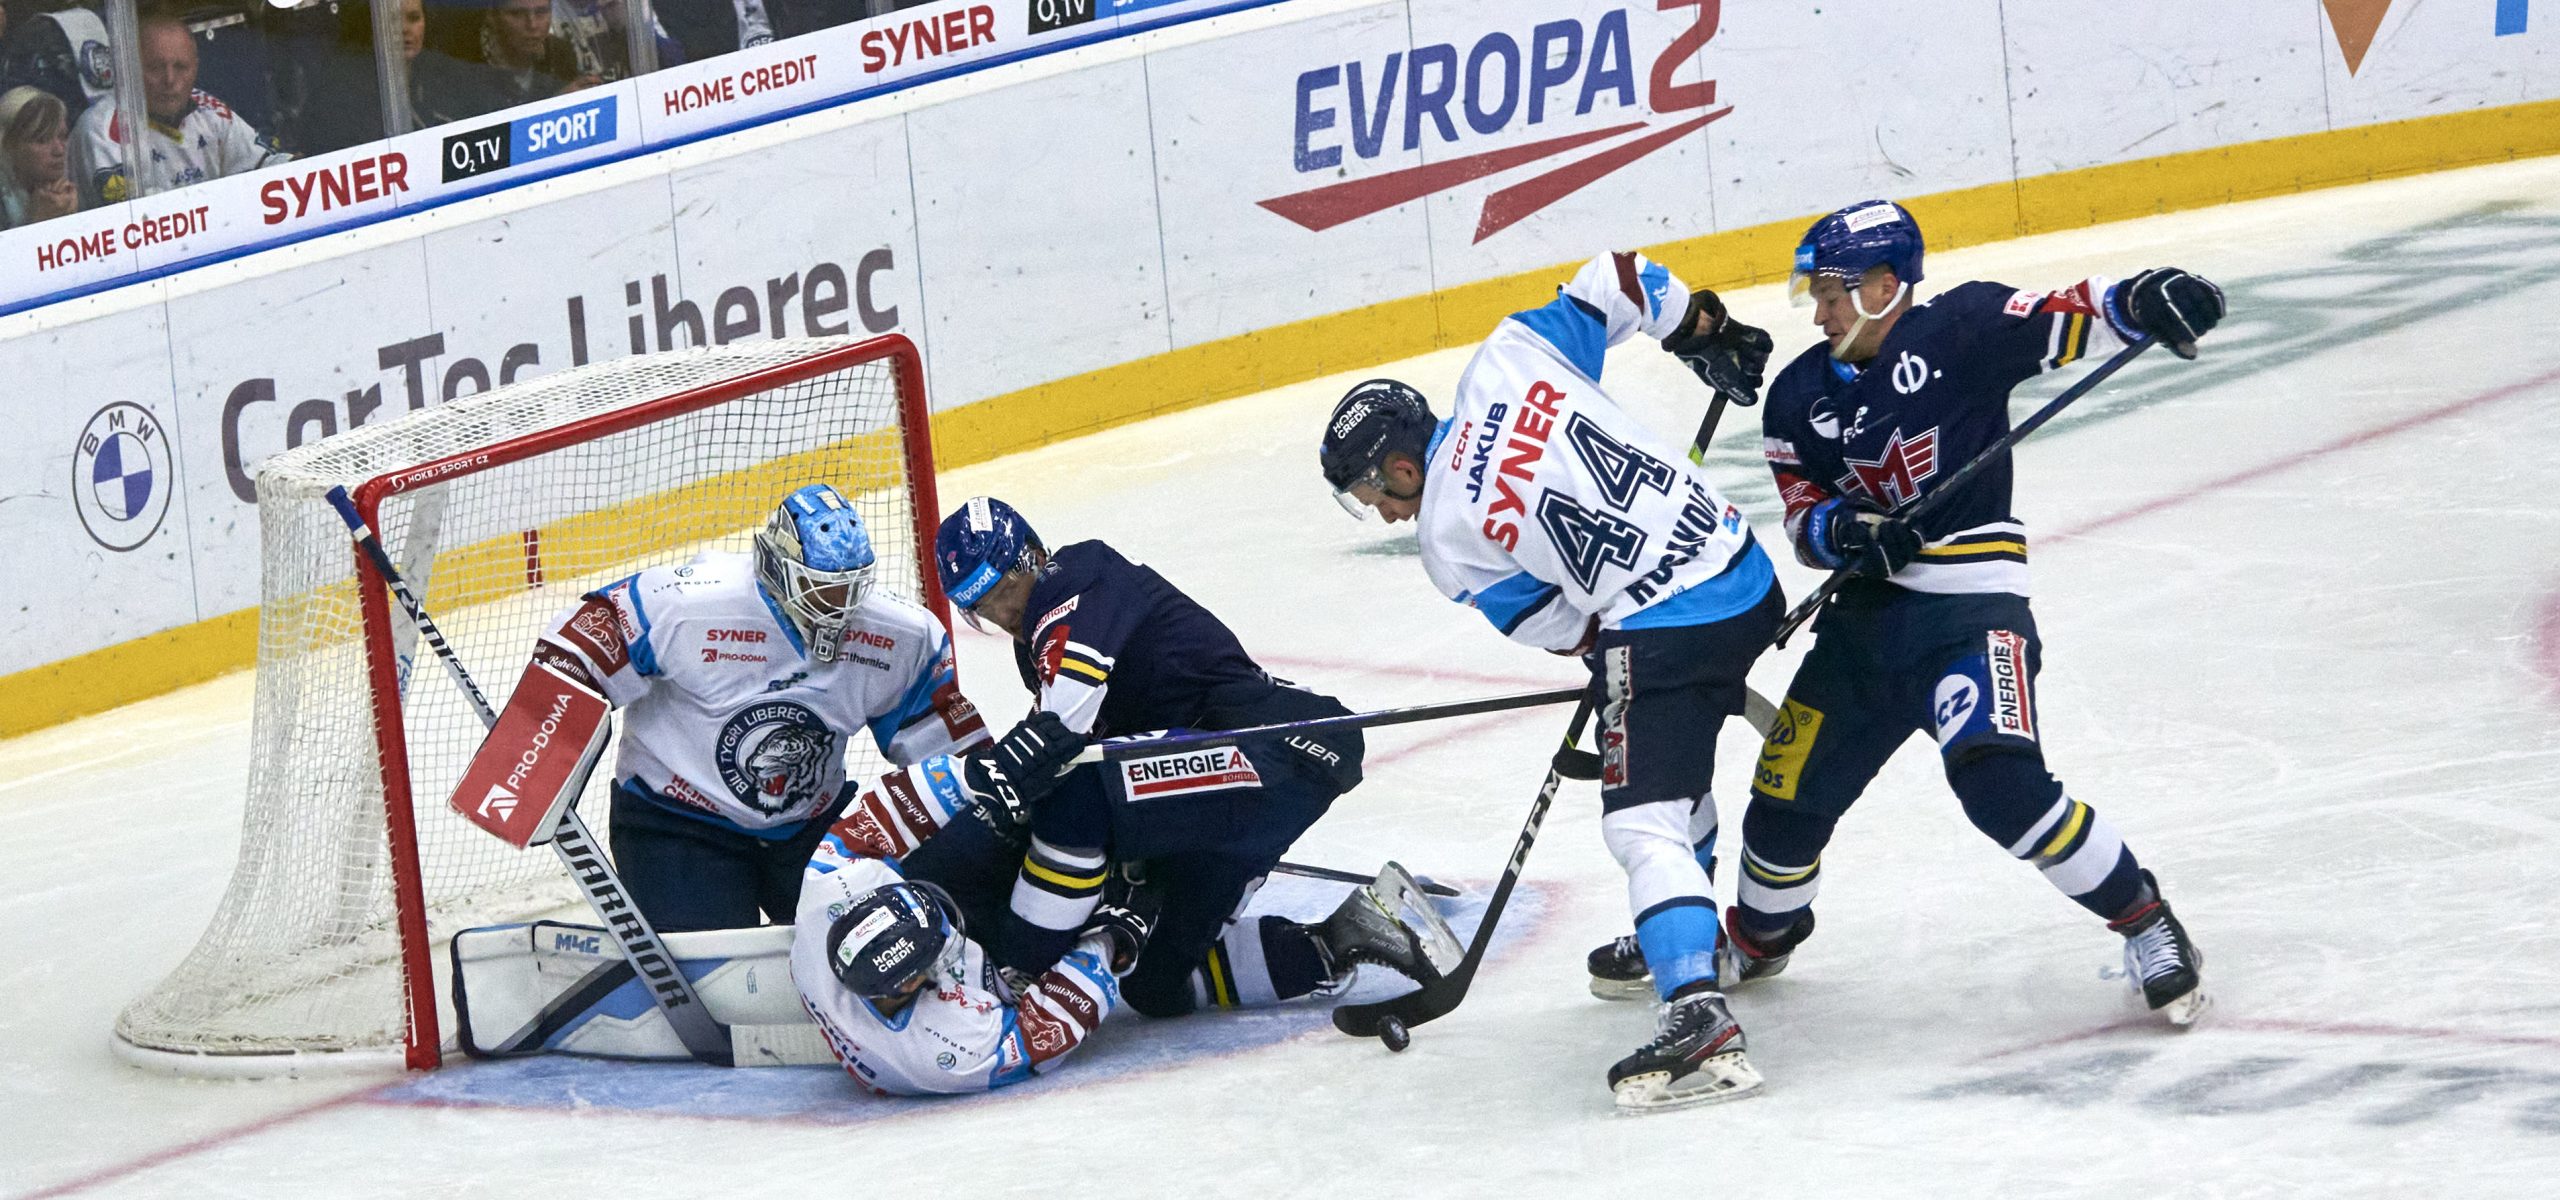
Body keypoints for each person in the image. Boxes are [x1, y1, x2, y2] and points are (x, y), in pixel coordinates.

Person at [1713, 199, 2217, 1025]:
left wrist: (2146, 296)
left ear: (1885, 286)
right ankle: (1760, 939)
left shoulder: (1963, 328)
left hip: (1970, 618)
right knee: (1781, 810)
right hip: (1859, 635)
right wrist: (1843, 531)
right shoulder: (1798, 394)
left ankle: (2147, 922)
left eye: (1833, 294)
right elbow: (1804, 519)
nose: (1820, 312)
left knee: (2002, 785)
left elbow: (2074, 313)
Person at [1320, 249, 1786, 1113]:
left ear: (1401, 468)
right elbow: (1618, 278)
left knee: (1642, 820)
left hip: (1670, 629)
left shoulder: (1446, 537)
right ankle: (1682, 929)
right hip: (1746, 570)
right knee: (1669, 772)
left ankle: (1697, 1012)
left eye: (1369, 491)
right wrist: (1702, 331)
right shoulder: (1509, 356)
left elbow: (1567, 629)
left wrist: (1615, 656)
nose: (1379, 510)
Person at [924, 496, 1441, 1023]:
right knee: (1156, 982)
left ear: (1033, 556)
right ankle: (1344, 939)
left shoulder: (1079, 576)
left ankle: (1019, 973)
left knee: (1074, 798)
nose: (1003, 615)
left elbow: (1062, 733)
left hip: (1277, 745)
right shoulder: (1034, 642)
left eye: (1004, 591)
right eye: (983, 607)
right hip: (1222, 786)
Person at [792, 752, 1444, 1094]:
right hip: (1004, 967)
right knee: (1154, 978)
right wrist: (1112, 938)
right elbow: (1052, 1026)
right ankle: (1331, 943)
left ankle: (1099, 799)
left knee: (999, 822)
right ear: (909, 984)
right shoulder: (947, 1050)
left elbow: (871, 822)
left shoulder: (830, 898)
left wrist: (981, 774)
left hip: (984, 921)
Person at [526, 483, 989, 931]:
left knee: (881, 940)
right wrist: (529, 746)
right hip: (678, 823)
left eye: (850, 589)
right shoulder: (690, 603)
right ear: (777, 569)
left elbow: (944, 748)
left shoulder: (900, 635)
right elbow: (581, 640)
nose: (840, 607)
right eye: (821, 589)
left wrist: (987, 817)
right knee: (707, 971)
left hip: (809, 825)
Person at [69, 8, 287, 204]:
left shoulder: (209, 110)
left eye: (181, 67)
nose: (170, 80)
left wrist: (294, 166)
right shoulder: (100, 130)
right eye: (155, 67)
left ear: (196, 67)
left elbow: (262, 164)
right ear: (130, 68)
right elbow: (146, 217)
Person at [473, 0, 592, 106]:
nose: (532, 25)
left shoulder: (560, 53)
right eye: (517, 14)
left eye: (541, 12)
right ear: (492, 17)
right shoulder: (470, 68)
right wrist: (553, 105)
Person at [0, 84, 76, 226]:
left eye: (63, 136)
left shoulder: (66, 190)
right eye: (42, 140)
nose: (59, 151)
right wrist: (37, 222)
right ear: (8, 145)